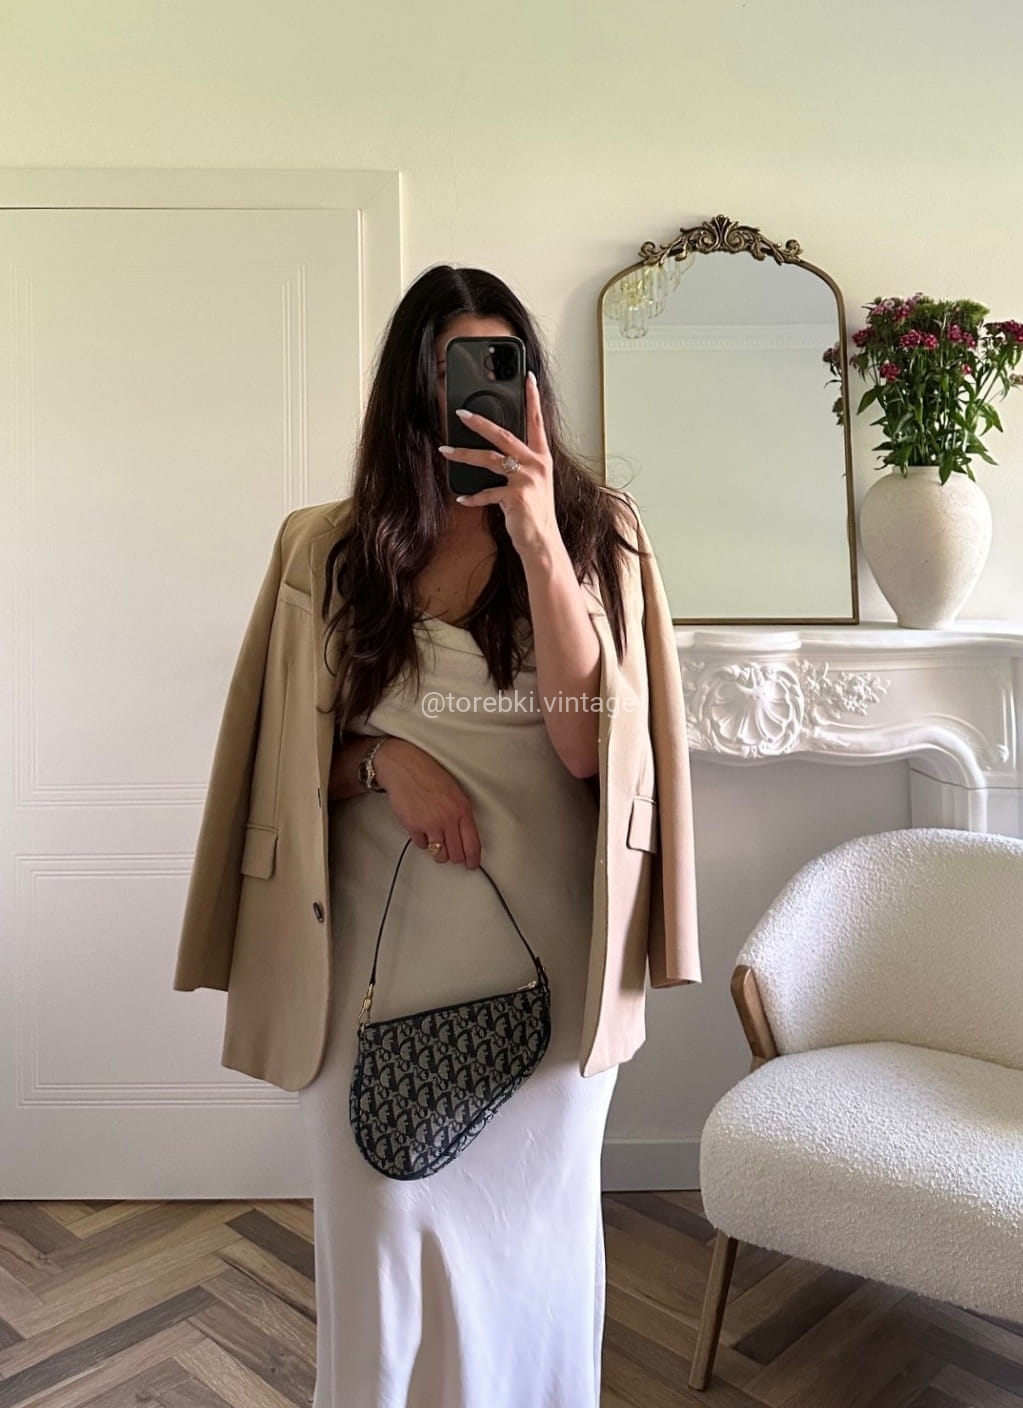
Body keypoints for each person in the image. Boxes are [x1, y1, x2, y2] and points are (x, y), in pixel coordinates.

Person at [172, 263, 701, 1408]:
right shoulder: (326, 549)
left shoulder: (600, 535)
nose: (475, 401)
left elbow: (587, 748)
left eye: (499, 373)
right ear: (409, 393)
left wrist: (539, 540)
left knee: (530, 1262)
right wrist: (383, 762)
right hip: (364, 966)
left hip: (551, 964)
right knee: (380, 1254)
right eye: (451, 375)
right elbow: (274, 763)